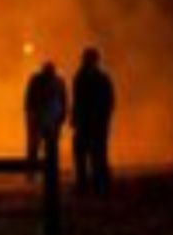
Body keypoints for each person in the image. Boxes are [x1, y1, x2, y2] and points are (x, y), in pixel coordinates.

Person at [71, 47, 115, 196]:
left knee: (94, 153)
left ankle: (95, 182)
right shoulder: (89, 77)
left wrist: (103, 118)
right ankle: (89, 182)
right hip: (89, 122)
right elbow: (109, 101)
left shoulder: (88, 78)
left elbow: (108, 101)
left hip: (93, 122)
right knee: (89, 153)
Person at [24, 62, 68, 180]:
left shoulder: (40, 81)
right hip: (44, 118)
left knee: (41, 146)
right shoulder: (57, 82)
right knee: (41, 146)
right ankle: (38, 172)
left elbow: (63, 100)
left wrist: (62, 115)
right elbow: (63, 100)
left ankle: (36, 172)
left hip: (47, 118)